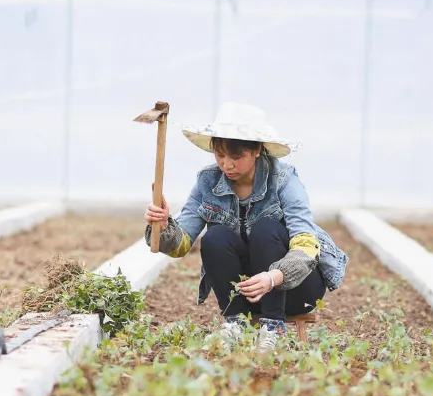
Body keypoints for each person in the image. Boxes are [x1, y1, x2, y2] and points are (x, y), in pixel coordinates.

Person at [143, 102, 348, 351]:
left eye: (236, 157)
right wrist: (164, 225)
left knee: (266, 229)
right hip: (245, 292)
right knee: (215, 237)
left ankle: (273, 328)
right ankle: (235, 323)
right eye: (220, 155)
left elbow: (306, 245)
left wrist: (273, 278)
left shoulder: (284, 180)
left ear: (257, 150)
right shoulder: (208, 181)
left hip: (294, 290)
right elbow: (181, 244)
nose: (226, 165)